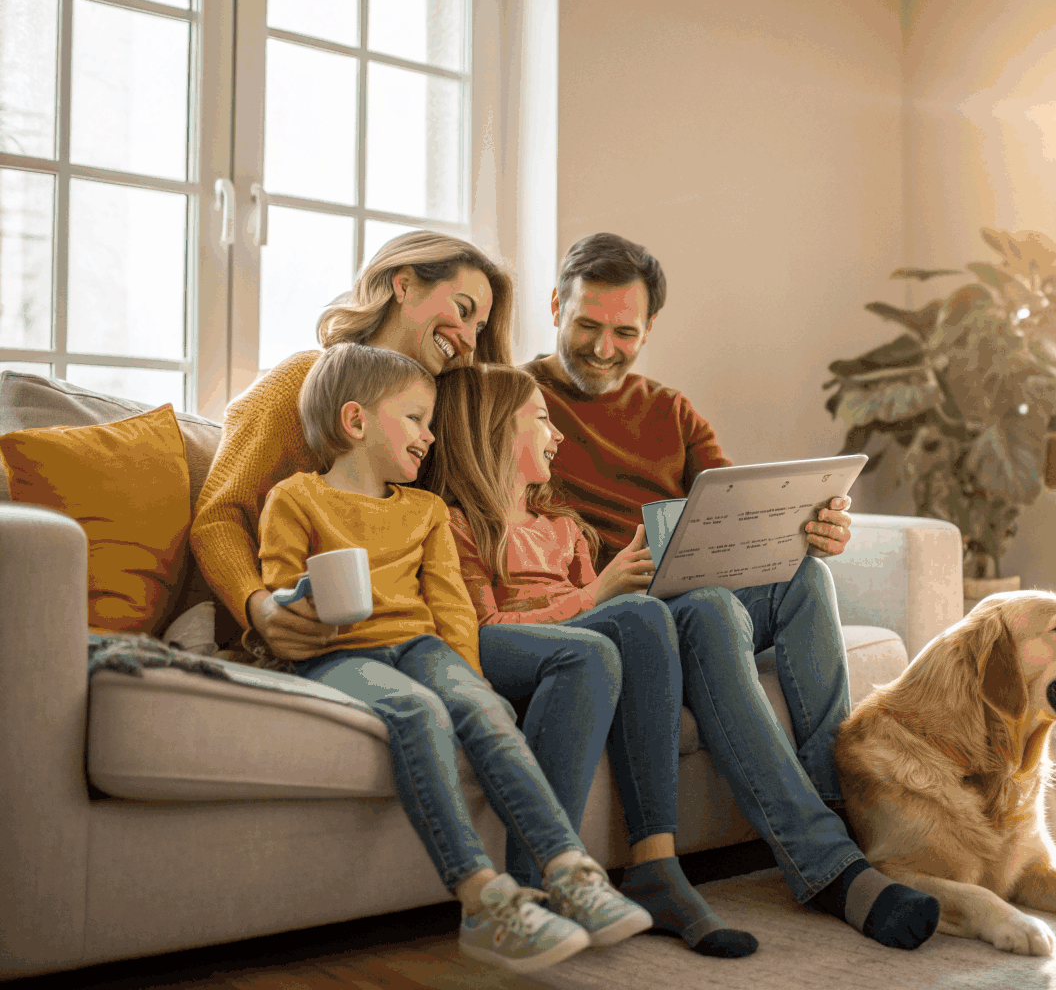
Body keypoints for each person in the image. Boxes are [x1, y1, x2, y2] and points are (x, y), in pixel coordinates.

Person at [522, 233, 942, 951]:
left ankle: (837, 805)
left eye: (624, 332)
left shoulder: (670, 411)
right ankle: (829, 867)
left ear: (649, 329)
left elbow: (744, 509)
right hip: (607, 605)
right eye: (585, 326)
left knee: (802, 576)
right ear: (556, 305)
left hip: (683, 585)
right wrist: (598, 583)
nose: (601, 348)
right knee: (714, 609)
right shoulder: (514, 403)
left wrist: (810, 529)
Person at [189, 230, 621, 894]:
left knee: (635, 630)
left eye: (484, 324)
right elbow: (220, 513)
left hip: (433, 631)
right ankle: (527, 888)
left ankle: (593, 876)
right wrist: (258, 607)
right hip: (312, 633)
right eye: (465, 306)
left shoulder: (436, 414)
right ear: (404, 284)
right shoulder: (305, 383)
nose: (472, 336)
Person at [257, 343, 652, 972]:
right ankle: (482, 898)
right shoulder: (296, 499)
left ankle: (570, 870)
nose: (431, 436)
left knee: (479, 706)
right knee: (417, 713)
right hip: (338, 653)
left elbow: (453, 612)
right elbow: (279, 593)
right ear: (356, 422)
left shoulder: (426, 510)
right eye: (415, 419)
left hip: (421, 644)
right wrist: (298, 602)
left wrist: (470, 681)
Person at [417, 363, 759, 959]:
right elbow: (480, 628)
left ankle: (657, 862)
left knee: (645, 616)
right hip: (495, 648)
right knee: (610, 630)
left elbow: (606, 617)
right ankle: (541, 883)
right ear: (494, 430)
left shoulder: (565, 529)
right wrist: (597, 595)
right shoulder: (454, 523)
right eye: (543, 421)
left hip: (578, 645)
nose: (558, 437)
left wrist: (622, 587)